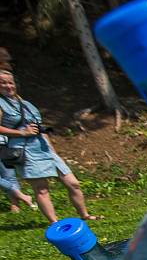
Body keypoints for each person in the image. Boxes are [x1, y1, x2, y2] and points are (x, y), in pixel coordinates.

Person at [0, 70, 98, 223]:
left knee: (73, 183)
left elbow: (38, 127)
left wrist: (53, 150)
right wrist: (23, 133)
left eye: (10, 82)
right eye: (3, 83)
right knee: (41, 189)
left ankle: (85, 215)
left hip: (43, 148)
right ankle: (55, 223)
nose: (8, 86)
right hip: (26, 151)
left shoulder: (25, 104)